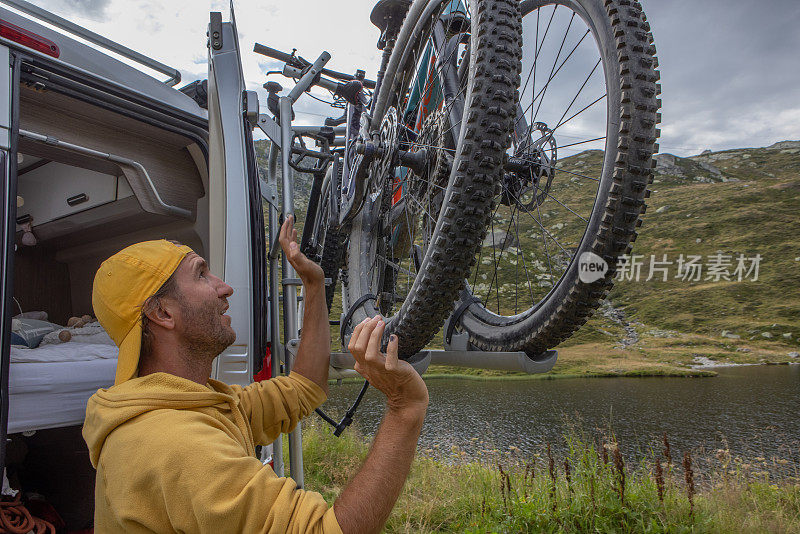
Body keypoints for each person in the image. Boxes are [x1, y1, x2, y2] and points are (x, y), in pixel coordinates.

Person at [82, 216, 429, 533]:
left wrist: (313, 284)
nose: (224, 288)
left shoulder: (198, 405)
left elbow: (303, 388)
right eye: (201, 274)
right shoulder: (176, 446)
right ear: (162, 313)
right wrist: (404, 409)